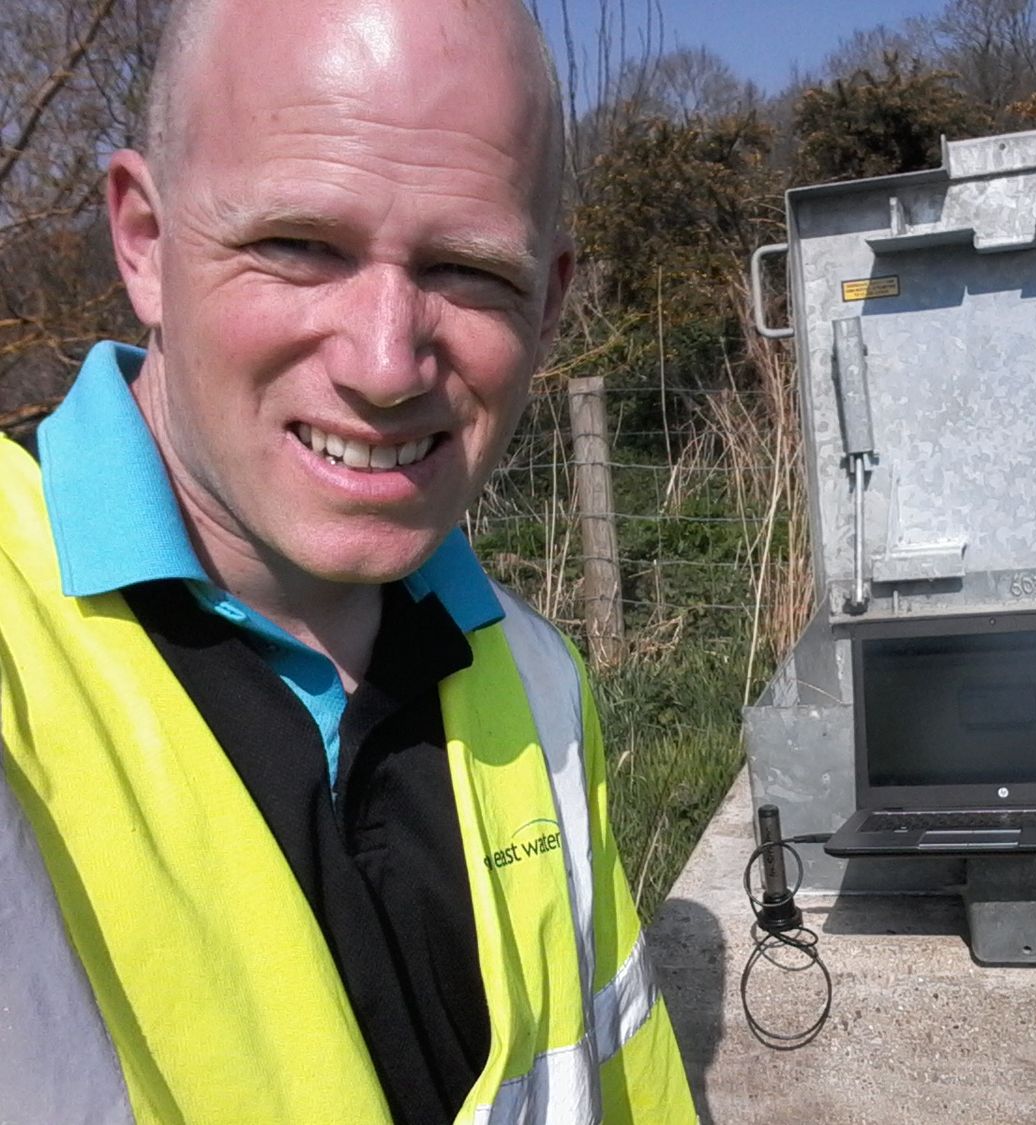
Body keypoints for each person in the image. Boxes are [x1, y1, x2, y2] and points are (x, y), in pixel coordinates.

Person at [0, 0, 695, 1120]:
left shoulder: (537, 680)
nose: (384, 365)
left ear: (551, 302)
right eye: (298, 246)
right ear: (145, 240)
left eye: (468, 270)